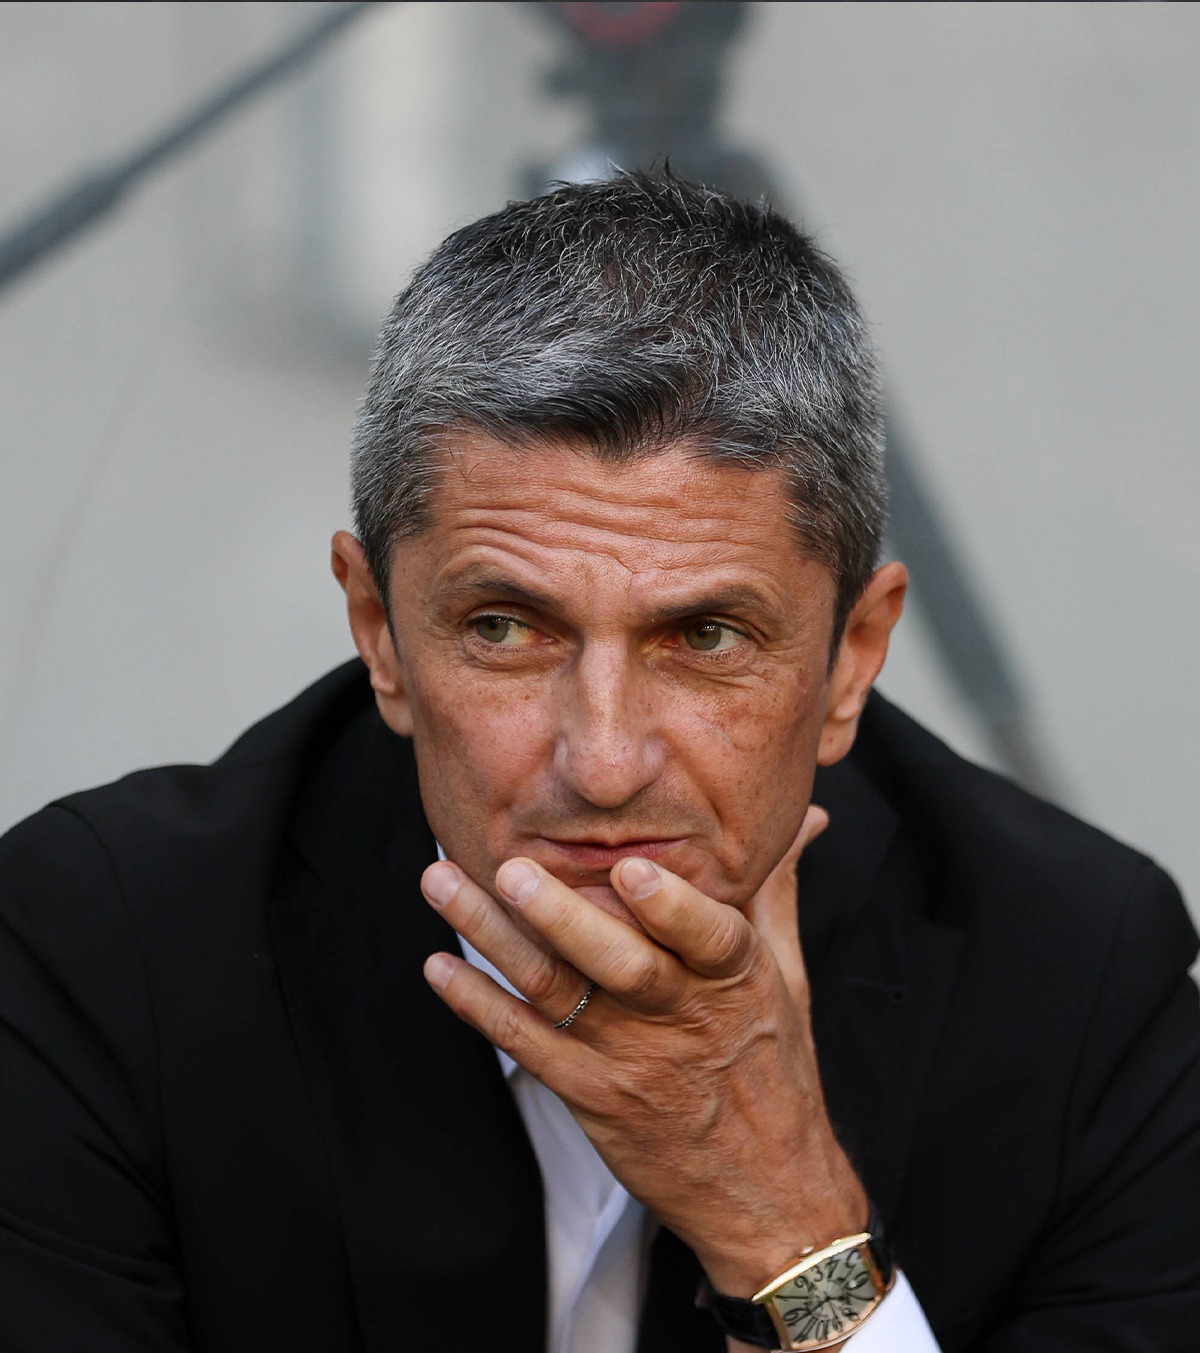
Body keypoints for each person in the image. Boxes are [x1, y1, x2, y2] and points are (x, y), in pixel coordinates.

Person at [1, 172, 1197, 1353]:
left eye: (707, 636)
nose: (607, 763)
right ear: (380, 633)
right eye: (504, 629)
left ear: (851, 660)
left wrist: (787, 1229)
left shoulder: (1078, 981)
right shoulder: (106, 952)